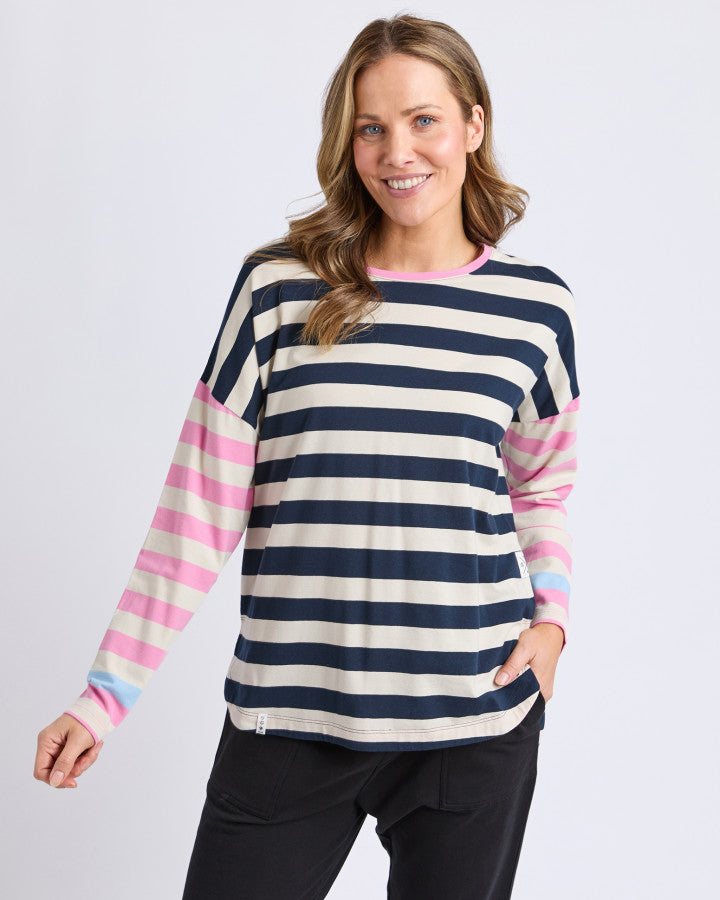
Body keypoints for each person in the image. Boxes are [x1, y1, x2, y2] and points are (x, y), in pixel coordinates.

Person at [34, 13, 580, 899]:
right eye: (371, 128)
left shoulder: (536, 309)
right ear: (346, 142)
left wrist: (551, 623)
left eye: (424, 120)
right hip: (288, 720)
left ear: (473, 125)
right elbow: (196, 514)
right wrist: (104, 697)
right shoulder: (278, 292)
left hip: (475, 724)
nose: (397, 152)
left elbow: (542, 487)